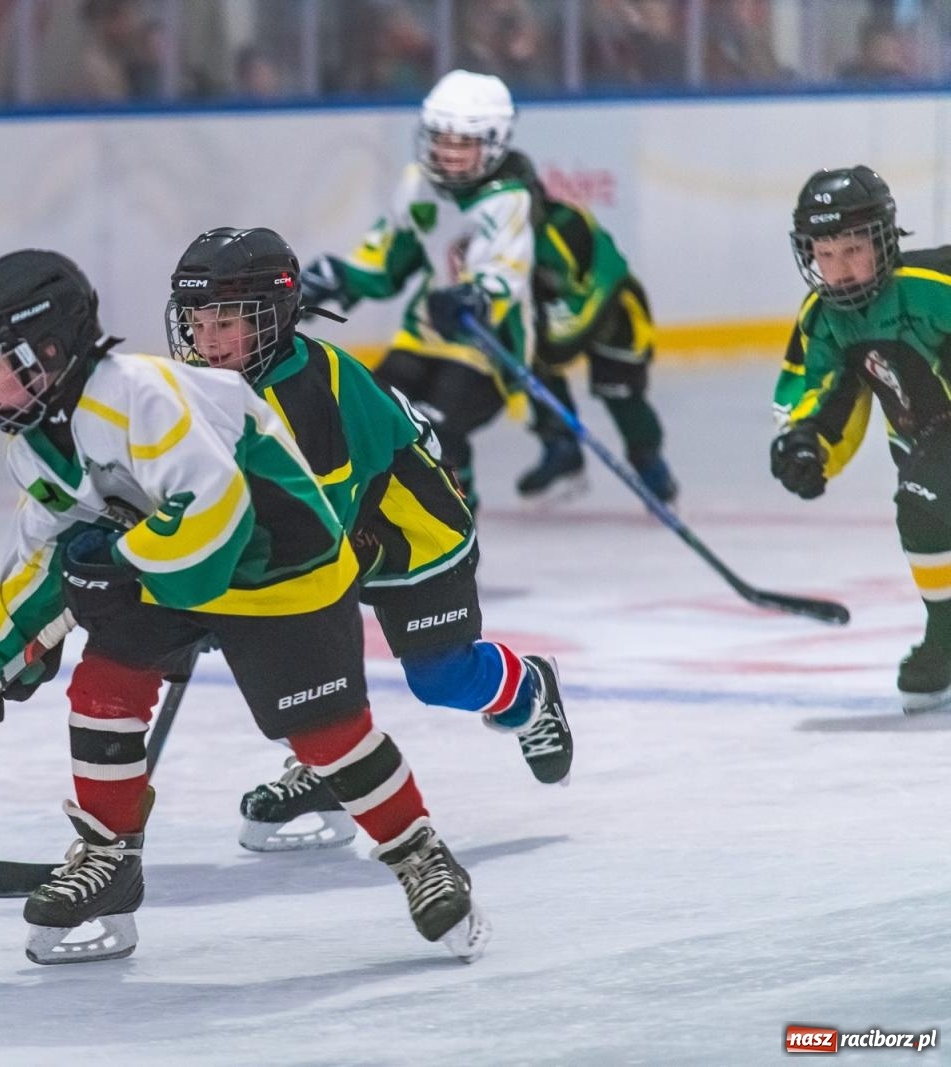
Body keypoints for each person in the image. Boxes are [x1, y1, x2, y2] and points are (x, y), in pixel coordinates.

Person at [0, 249, 491, 964]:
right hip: (173, 557)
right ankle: (109, 860)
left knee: (325, 734)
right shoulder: (36, 447)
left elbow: (216, 515)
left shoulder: (141, 398)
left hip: (280, 558)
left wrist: (120, 563)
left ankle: (419, 853)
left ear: (51, 352)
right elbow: (41, 557)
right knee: (104, 686)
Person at [166, 226, 574, 851]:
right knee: (285, 662)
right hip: (333, 535)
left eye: (226, 322)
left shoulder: (311, 391)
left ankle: (528, 688)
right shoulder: (209, 376)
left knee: (440, 677)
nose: (207, 340)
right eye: (196, 322)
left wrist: (226, 583)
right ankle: (332, 768)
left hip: (410, 532)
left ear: (272, 317)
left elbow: (315, 521)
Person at [297, 69, 535, 510]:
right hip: (422, 336)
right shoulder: (418, 184)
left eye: (464, 143)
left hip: (487, 348)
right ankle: (374, 526)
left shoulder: (509, 199)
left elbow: (504, 273)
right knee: (368, 419)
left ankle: (457, 526)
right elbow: (388, 260)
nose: (449, 153)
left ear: (495, 142)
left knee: (436, 432)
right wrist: (339, 277)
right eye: (442, 140)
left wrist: (477, 297)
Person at [773, 166, 951, 715]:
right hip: (922, 443)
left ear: (883, 240)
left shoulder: (935, 286)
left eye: (852, 249)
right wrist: (807, 443)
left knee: (925, 497)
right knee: (921, 513)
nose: (839, 268)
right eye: (824, 253)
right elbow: (826, 394)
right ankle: (945, 636)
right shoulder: (824, 318)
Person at [517, 182, 679, 503]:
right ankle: (562, 449)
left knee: (619, 391)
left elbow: (591, 294)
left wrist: (549, 337)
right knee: (531, 365)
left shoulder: (564, 229)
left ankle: (649, 463)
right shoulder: (497, 236)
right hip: (561, 313)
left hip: (615, 313)